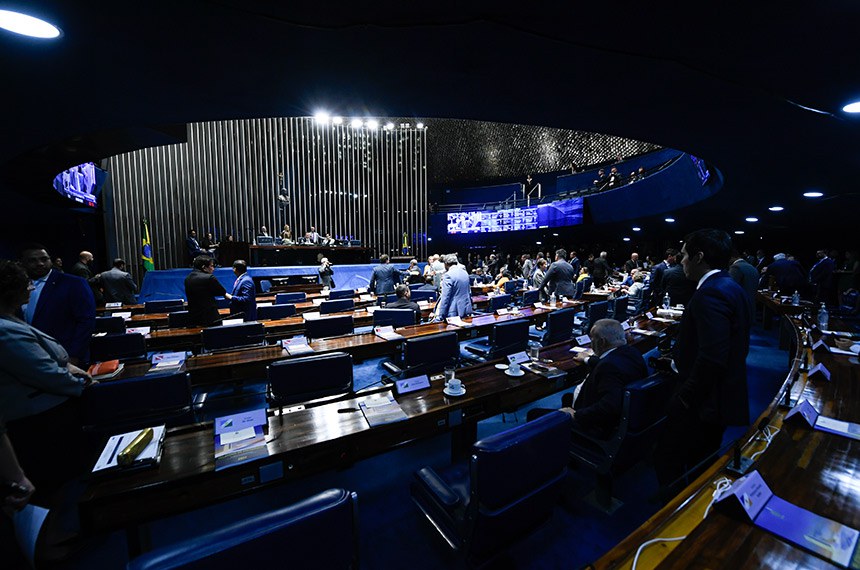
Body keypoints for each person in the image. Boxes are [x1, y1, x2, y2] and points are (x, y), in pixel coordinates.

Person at [653, 229, 751, 489]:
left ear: (699, 257)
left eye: (684, 255)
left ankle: (675, 520)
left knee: (670, 462)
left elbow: (712, 357)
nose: (681, 261)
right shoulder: (731, 286)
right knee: (702, 464)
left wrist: (685, 397)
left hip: (702, 404)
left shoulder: (710, 293)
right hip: (718, 397)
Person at [0, 259, 94, 501]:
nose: (31, 288)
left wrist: (70, 366)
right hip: (39, 421)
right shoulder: (5, 330)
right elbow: (44, 373)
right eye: (27, 284)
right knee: (56, 488)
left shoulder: (12, 320)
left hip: (45, 413)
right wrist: (82, 382)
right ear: (13, 291)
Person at [526, 319, 647, 438]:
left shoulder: (609, 367)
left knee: (534, 414)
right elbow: (611, 365)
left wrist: (576, 415)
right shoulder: (632, 353)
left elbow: (609, 407)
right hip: (628, 416)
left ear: (602, 342)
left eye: (592, 339)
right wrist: (587, 359)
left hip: (594, 426)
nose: (590, 343)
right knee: (567, 397)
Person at [20, 244, 95, 365]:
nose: (40, 263)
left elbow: (86, 321)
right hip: (28, 358)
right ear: (22, 263)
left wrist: (74, 355)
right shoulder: (16, 286)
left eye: (44, 259)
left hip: (65, 356)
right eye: (32, 260)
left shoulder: (73, 283)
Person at [184, 255, 226, 326]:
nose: (213, 269)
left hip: (193, 318)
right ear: (204, 267)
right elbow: (222, 291)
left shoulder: (187, 279)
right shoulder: (209, 278)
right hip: (210, 318)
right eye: (211, 266)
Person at [433, 254, 472, 321]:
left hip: (453, 312)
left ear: (446, 264)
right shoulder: (465, 273)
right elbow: (469, 292)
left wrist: (441, 315)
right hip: (466, 308)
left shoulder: (448, 275)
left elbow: (445, 297)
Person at [728, 251, 759, 315]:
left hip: (739, 308)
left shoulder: (735, 267)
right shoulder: (752, 267)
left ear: (732, 257)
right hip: (751, 306)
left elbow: (729, 289)